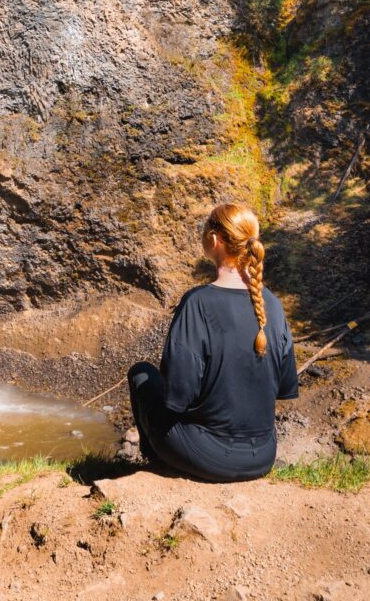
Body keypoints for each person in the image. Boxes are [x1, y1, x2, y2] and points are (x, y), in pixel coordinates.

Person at [127, 202, 299, 482]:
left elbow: (178, 396)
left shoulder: (197, 302)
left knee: (141, 373)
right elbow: (284, 385)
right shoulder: (273, 305)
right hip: (263, 455)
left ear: (215, 239)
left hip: (210, 457)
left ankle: (155, 463)